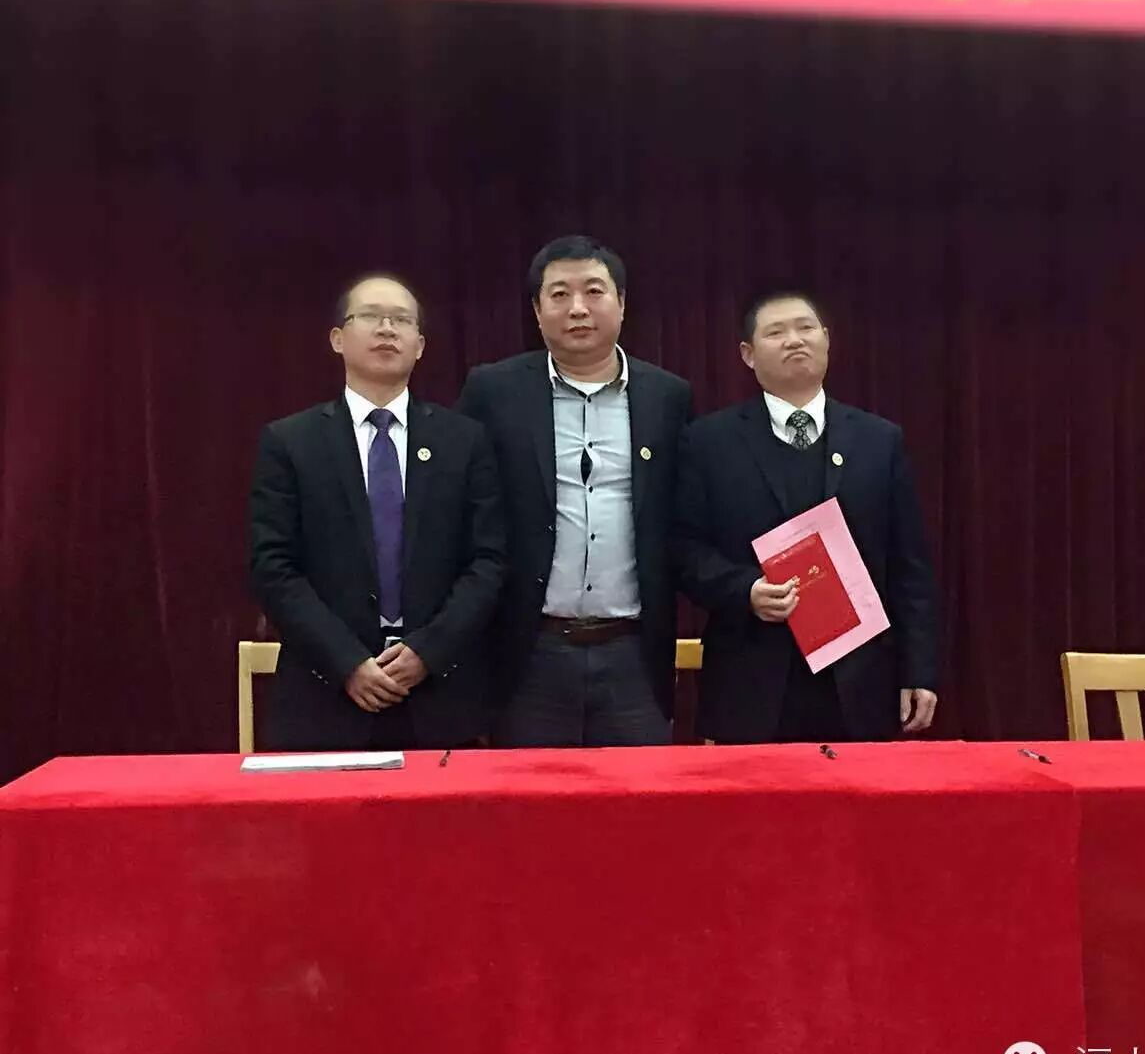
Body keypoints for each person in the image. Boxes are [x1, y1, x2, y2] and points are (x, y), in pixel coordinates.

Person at [248, 274, 505, 750]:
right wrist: (347, 662)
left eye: (401, 320)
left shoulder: (464, 441)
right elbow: (273, 568)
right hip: (325, 695)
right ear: (337, 338)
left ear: (420, 346)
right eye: (370, 316)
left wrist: (428, 651)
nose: (387, 329)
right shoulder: (291, 442)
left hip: (439, 695)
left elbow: (487, 562)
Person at [456, 236, 691, 746]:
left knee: (640, 795)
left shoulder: (668, 396)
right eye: (559, 294)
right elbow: (464, 511)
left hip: (633, 652)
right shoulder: (493, 392)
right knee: (527, 795)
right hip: (529, 652)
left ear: (622, 303)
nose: (578, 308)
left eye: (594, 291)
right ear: (537, 311)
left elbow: (683, 518)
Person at [675, 291, 938, 743]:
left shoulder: (879, 440)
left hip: (860, 681)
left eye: (805, 328)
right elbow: (683, 549)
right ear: (748, 354)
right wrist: (745, 590)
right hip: (751, 680)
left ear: (827, 340)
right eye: (776, 332)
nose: (794, 340)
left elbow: (908, 566)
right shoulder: (708, 442)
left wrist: (920, 670)